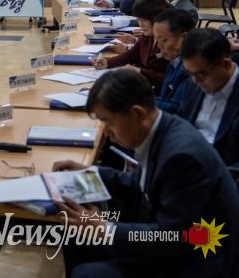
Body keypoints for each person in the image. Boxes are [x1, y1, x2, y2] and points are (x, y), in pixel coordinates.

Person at [54, 69, 239, 278]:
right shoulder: (160, 128)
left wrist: (105, 229)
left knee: (88, 272)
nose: (105, 132)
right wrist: (91, 172)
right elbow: (140, 182)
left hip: (195, 259)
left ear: (137, 114)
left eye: (109, 122)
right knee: (75, 230)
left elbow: (174, 238)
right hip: (167, 235)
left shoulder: (182, 158)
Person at [178, 28, 239, 170]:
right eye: (189, 73)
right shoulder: (193, 82)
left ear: (226, 64)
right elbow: (181, 122)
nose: (195, 81)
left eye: (202, 75)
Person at [93, 0, 170, 92]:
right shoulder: (148, 35)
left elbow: (170, 80)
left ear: (157, 19)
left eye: (144, 20)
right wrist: (108, 62)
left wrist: (140, 72)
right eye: (139, 20)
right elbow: (131, 55)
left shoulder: (168, 42)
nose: (141, 24)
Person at [152, 8, 195, 114]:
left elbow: (176, 108)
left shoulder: (192, 68)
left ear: (184, 38)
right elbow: (164, 98)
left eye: (163, 40)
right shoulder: (174, 62)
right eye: (157, 40)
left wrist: (137, 102)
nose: (159, 46)